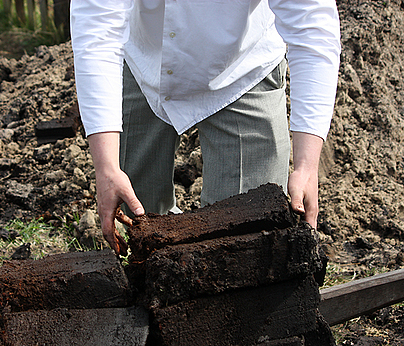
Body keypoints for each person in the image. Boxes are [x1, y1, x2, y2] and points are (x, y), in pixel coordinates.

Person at [70, 1, 341, 255]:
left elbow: (312, 28)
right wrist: (106, 167)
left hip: (240, 67)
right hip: (146, 57)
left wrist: (306, 166)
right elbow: (97, 30)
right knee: (142, 220)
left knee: (245, 233)